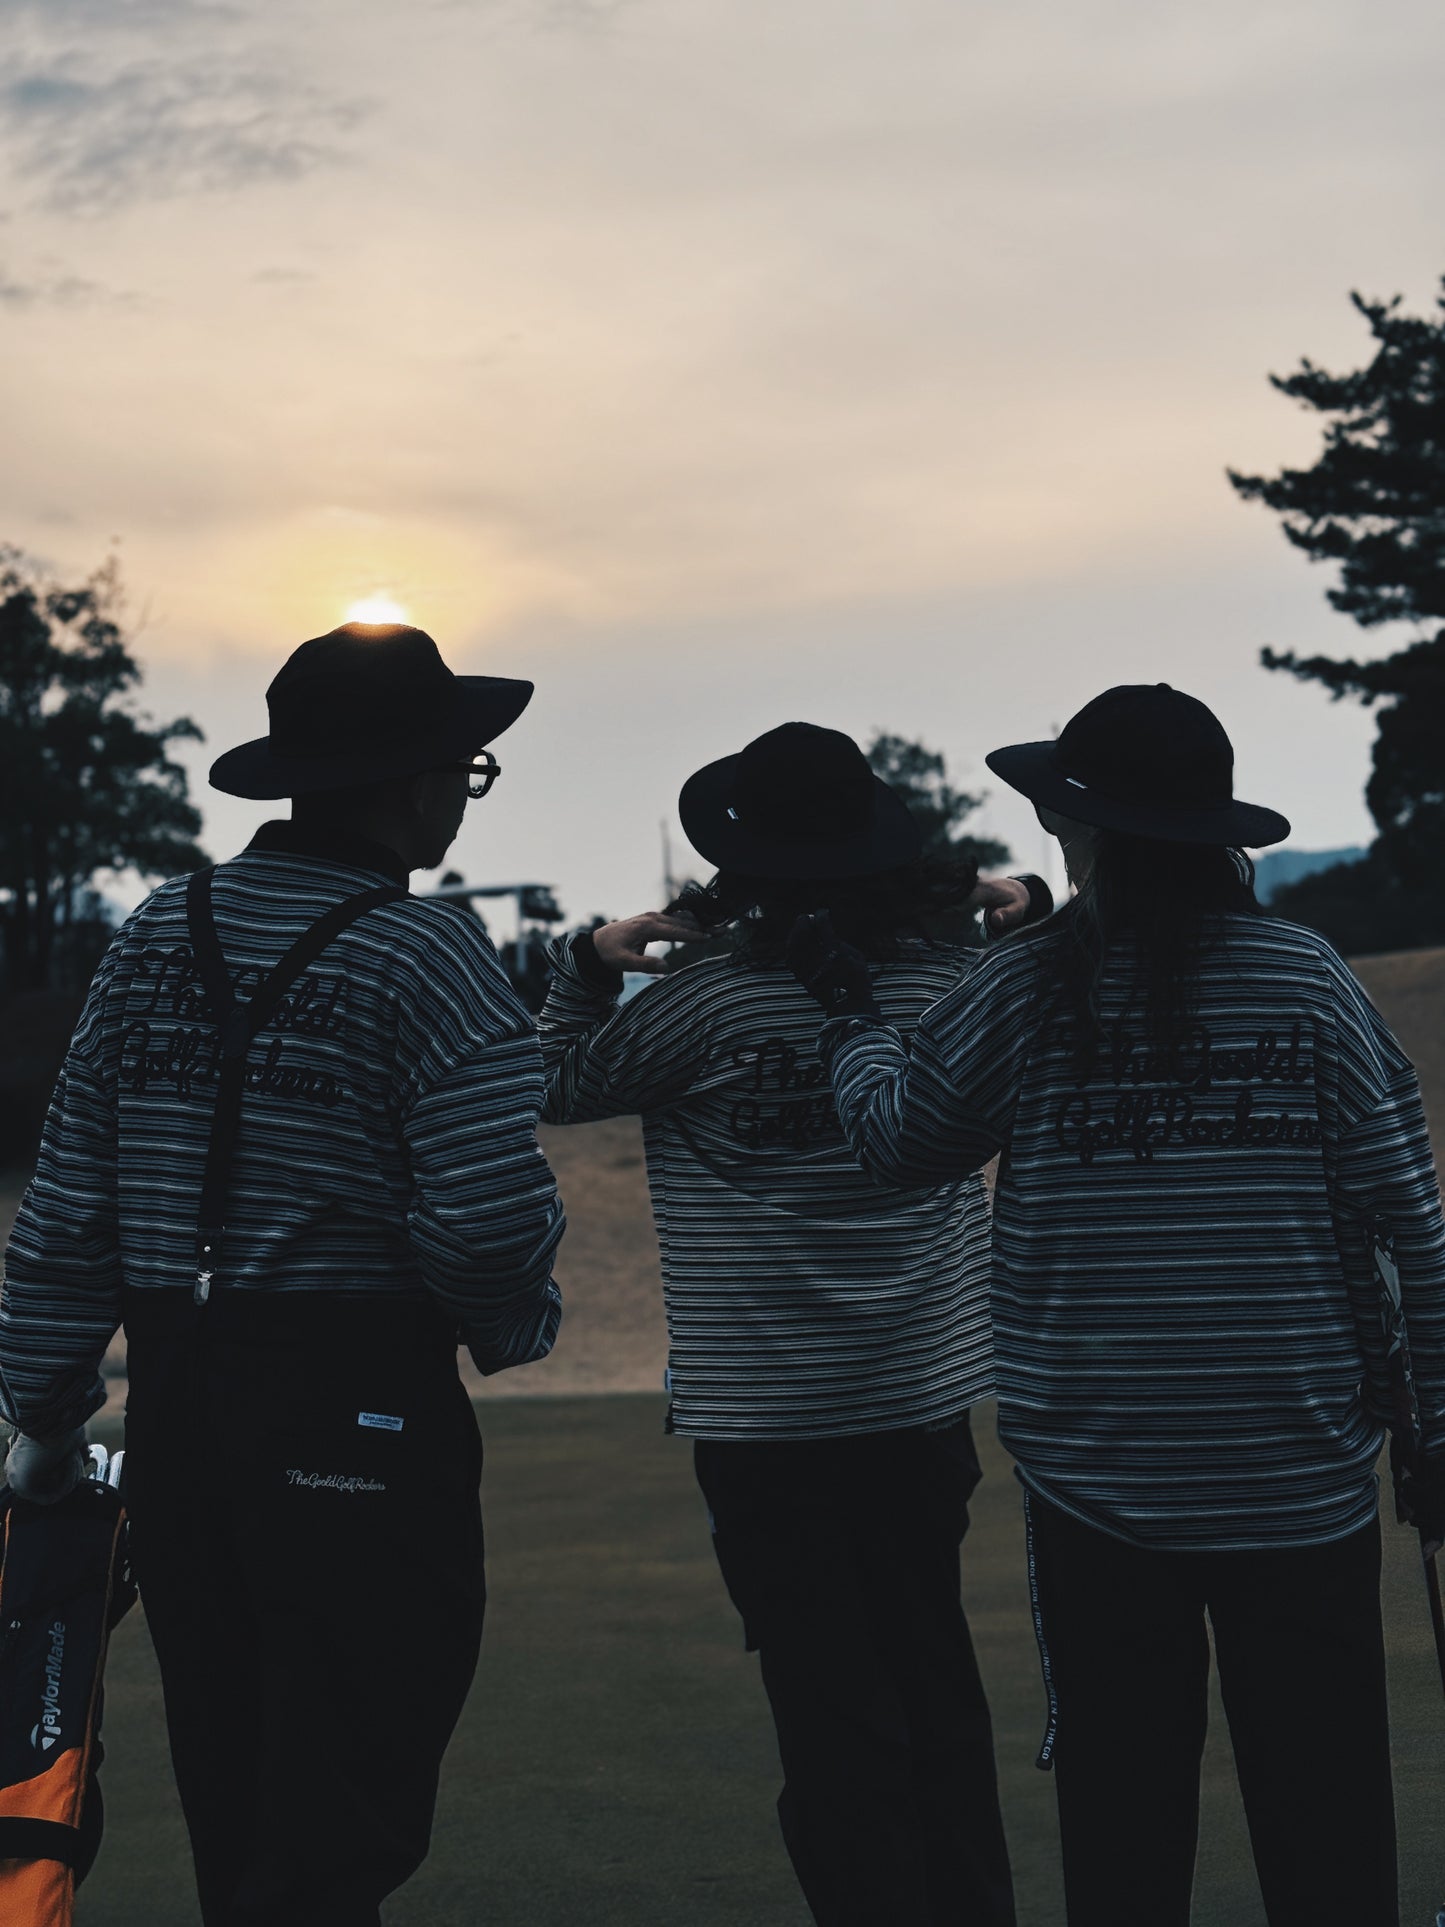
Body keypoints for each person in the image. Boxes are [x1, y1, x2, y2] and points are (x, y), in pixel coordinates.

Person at [791, 682, 1445, 1927]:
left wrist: (848, 1016)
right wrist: (1439, 1423)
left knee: (1123, 1834)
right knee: (1327, 1828)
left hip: (1097, 1487)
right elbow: (1410, 1217)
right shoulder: (1304, 977)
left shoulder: (1025, 983)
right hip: (1297, 1476)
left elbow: (896, 1140)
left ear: (1079, 826)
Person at [0, 623, 565, 1926]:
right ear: (416, 783)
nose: (464, 791)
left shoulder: (153, 933)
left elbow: (69, 1205)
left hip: (182, 1427)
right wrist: (510, 1321)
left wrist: (43, 1412)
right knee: (338, 1819)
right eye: (466, 769)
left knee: (239, 1802)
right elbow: (487, 1230)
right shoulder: (432, 956)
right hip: (363, 1415)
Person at [537, 720, 1050, 1927]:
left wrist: (585, 962)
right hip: (918, 1394)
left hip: (762, 1414)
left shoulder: (698, 1005)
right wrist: (1023, 908)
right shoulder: (946, 986)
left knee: (828, 1712)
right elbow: (1040, 1002)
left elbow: (554, 1082)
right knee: (933, 1679)